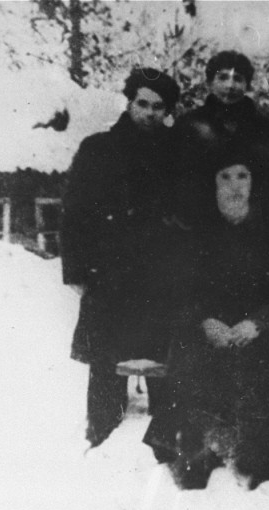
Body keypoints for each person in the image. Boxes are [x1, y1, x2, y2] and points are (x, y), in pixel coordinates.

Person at [143, 154, 269, 489]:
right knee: (190, 465)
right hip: (207, 338)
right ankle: (201, 445)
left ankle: (253, 445)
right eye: (225, 177)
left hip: (259, 338)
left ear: (254, 183)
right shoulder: (195, 236)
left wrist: (258, 324)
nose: (235, 185)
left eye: (243, 176)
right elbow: (180, 295)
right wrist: (205, 322)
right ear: (213, 184)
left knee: (259, 463)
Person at [61, 68, 181, 448]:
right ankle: (101, 428)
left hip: (161, 275)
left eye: (157, 107)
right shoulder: (98, 149)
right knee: (106, 358)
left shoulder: (178, 154)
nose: (148, 112)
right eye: (141, 103)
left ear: (168, 111)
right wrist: (78, 269)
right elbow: (74, 212)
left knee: (164, 355)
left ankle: (166, 434)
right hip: (109, 272)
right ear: (129, 102)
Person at [173, 50, 269, 227]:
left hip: (252, 224)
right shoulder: (189, 125)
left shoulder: (265, 128)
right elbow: (179, 176)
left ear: (247, 85)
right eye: (223, 77)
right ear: (210, 82)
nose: (230, 85)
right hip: (202, 225)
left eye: (238, 79)